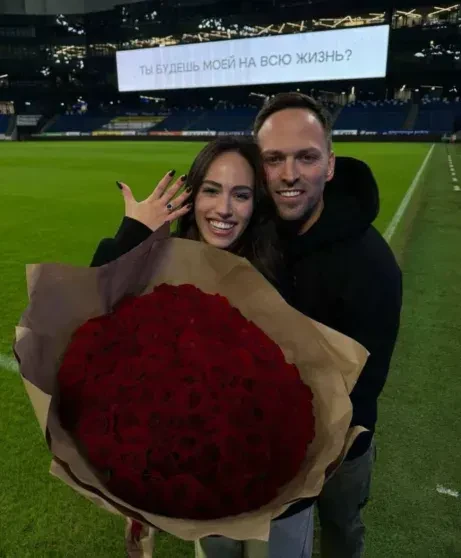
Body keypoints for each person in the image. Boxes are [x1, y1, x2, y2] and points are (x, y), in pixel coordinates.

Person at [90, 136, 298, 558]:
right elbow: (89, 322)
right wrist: (132, 232)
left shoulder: (276, 268)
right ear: (192, 195)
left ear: (256, 203)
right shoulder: (163, 266)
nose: (224, 209)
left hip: (269, 475)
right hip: (202, 479)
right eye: (211, 190)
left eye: (241, 195)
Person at [251, 92, 403, 558]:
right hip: (265, 444)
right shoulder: (250, 235)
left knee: (341, 528)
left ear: (330, 165)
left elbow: (365, 381)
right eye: (273, 159)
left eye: (307, 157)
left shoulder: (371, 263)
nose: (289, 174)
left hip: (343, 443)